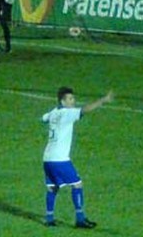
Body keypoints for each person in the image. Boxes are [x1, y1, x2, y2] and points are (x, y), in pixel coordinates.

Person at [42, 87, 114, 228]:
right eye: (70, 99)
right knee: (77, 184)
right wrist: (103, 100)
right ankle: (80, 219)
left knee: (53, 187)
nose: (73, 101)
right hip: (60, 159)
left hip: (48, 158)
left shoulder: (53, 113)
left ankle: (49, 218)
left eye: (73, 98)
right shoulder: (67, 113)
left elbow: (43, 118)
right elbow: (85, 110)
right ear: (62, 101)